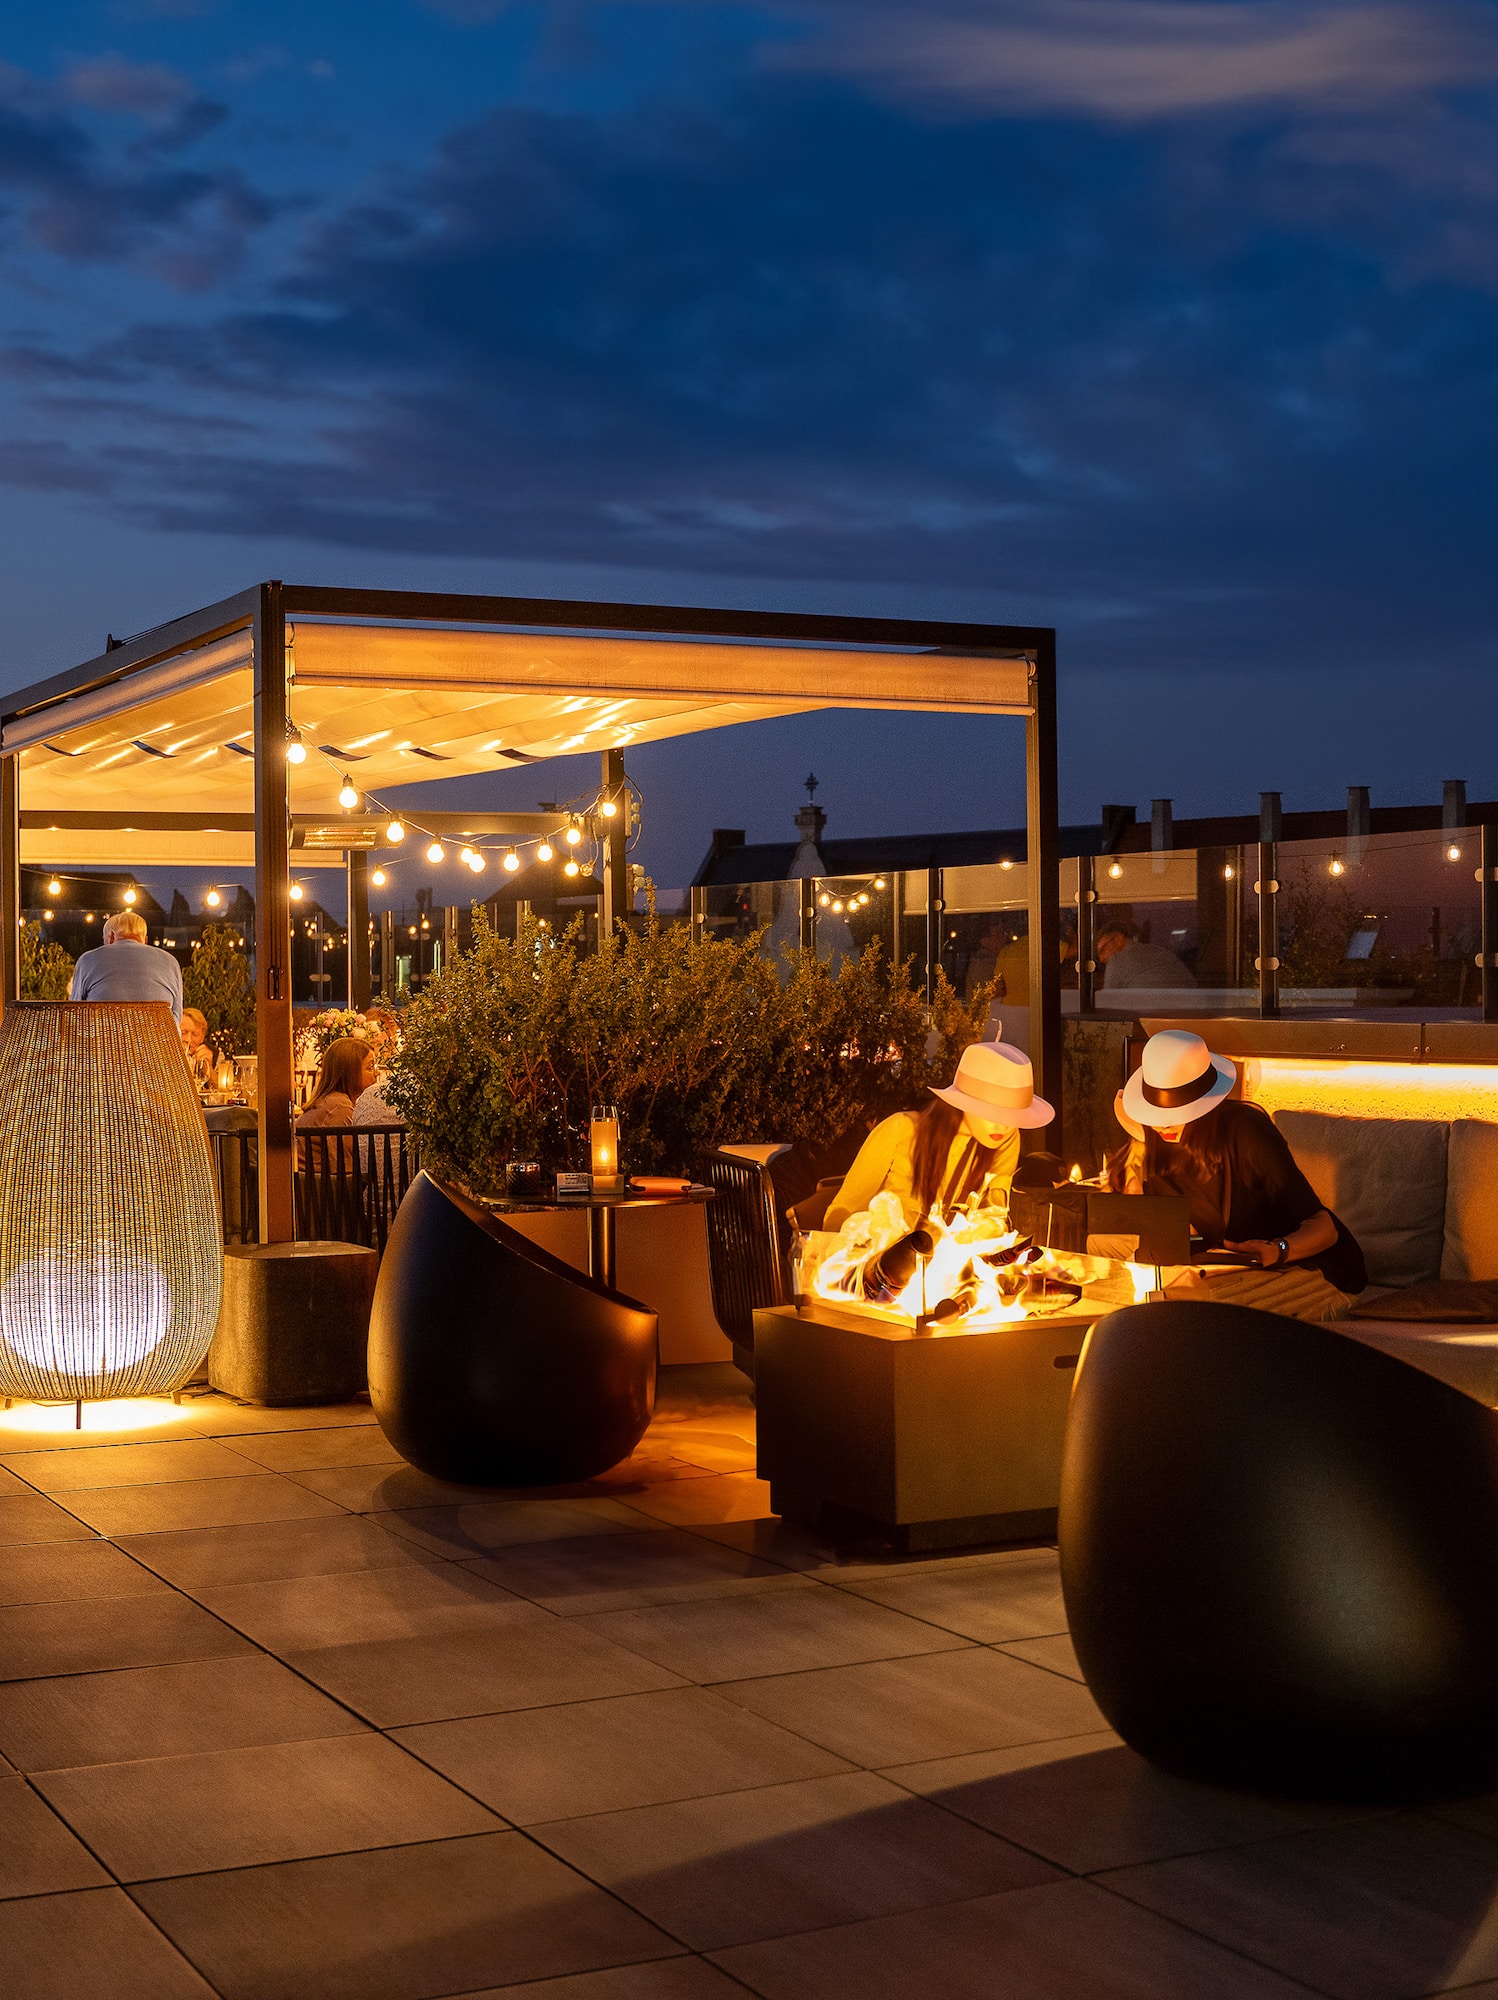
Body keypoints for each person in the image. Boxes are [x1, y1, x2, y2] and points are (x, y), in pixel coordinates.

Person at [1111, 1028, 1365, 1319]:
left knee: (1203, 1315)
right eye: (1155, 1115)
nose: (1162, 1125)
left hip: (1314, 1270)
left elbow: (1325, 1229)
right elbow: (1176, 1239)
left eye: (1174, 1114)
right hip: (1237, 1271)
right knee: (1138, 1303)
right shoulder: (1158, 1142)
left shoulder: (1246, 1132)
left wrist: (1278, 1249)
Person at [824, 1041, 1054, 1231]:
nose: (1003, 1126)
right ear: (965, 1103)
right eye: (992, 1112)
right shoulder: (901, 1131)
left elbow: (994, 1211)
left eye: (1012, 1117)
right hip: (882, 1265)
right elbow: (843, 1211)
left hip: (949, 1269)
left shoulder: (1004, 1139)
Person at [69, 908, 183, 1023]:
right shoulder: (170, 961)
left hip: (105, 1038)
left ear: (111, 936)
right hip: (160, 1039)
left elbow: (74, 1012)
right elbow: (177, 1015)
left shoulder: (88, 959)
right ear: (145, 940)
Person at [1094, 908, 1193, 990]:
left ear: (1118, 940)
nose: (1101, 958)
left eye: (1103, 950)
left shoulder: (1117, 961)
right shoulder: (1161, 952)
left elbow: (1107, 1002)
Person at [297, 1037, 378, 1129]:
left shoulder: (334, 1101)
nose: (377, 1073)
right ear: (350, 1071)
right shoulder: (339, 1107)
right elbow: (350, 1143)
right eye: (370, 1067)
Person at [180, 1007, 214, 1083]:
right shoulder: (162, 1056)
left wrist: (209, 1069)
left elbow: (223, 1089)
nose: (188, 1040)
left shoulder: (216, 1055)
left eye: (195, 1034)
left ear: (202, 1037)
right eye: (183, 1033)